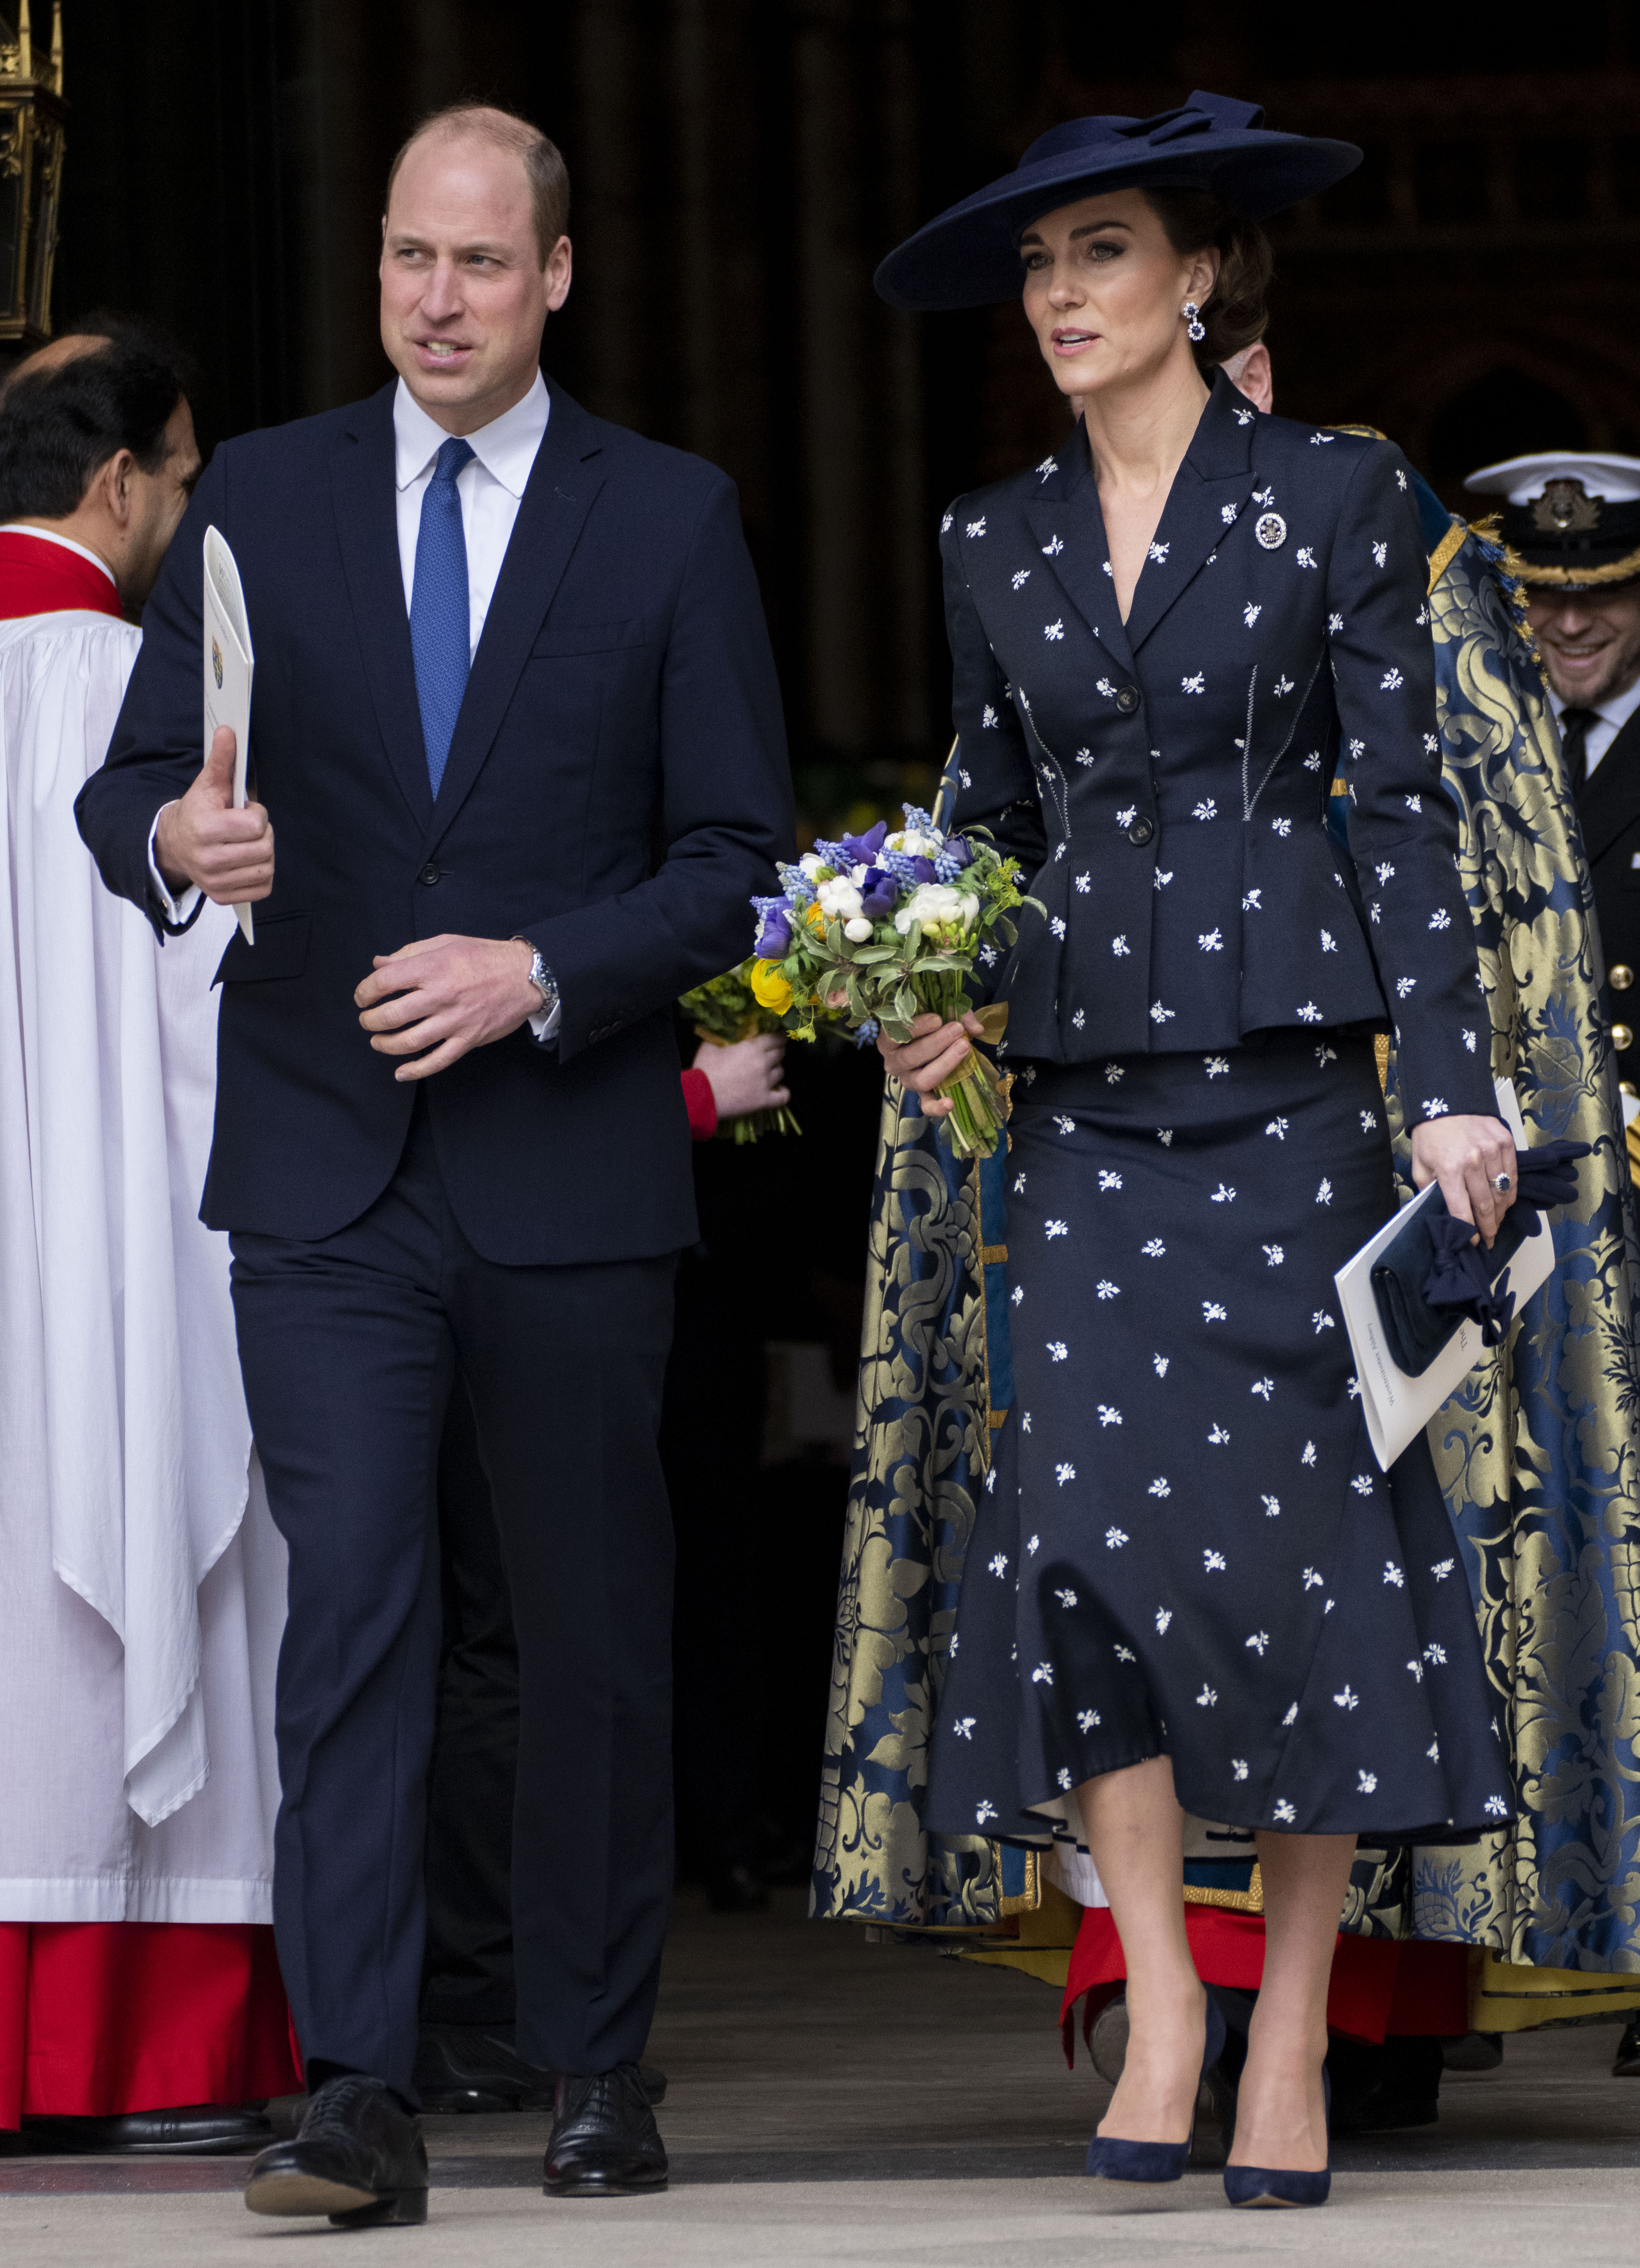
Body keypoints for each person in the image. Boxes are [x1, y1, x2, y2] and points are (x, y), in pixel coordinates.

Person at [76, 103, 793, 2225]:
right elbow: (130, 790)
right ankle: (358, 2088)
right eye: (408, 258)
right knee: (354, 1622)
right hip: (324, 1173)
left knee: (583, 1627)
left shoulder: (667, 521)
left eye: (480, 263)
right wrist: (178, 844)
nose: (438, 299)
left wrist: (542, 970)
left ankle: (593, 2060)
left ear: (556, 275)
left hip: (569, 1159)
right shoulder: (262, 505)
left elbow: (733, 869)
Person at [869, 90, 1517, 2210]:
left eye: (1101, 258)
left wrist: (1443, 1084)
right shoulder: (989, 538)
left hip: (1288, 1107)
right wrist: (910, 959)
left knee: (1305, 1574)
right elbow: (981, 804)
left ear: (1201, 275)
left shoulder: (1335, 493)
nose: (1060, 299)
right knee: (1076, 1555)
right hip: (1077, 1116)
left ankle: (1290, 2041)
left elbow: (1402, 805)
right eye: (1039, 269)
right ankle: (1157, 1989)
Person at [0, 325, 297, 2149]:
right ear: (120, 487)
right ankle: (161, 2054)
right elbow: (222, 1015)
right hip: (118, 1267)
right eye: (185, 484)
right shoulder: (156, 701)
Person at [415, 1028, 786, 2114]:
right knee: (506, 1640)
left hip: (529, 1261)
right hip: (509, 1268)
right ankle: (479, 2004)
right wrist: (693, 1100)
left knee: (507, 1636)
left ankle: (496, 2002)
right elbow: (498, 1118)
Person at [1462, 453, 1640, 1078]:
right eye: (1542, 591)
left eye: (1602, 590)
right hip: (1514, 1138)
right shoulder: (1467, 742)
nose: (1569, 624)